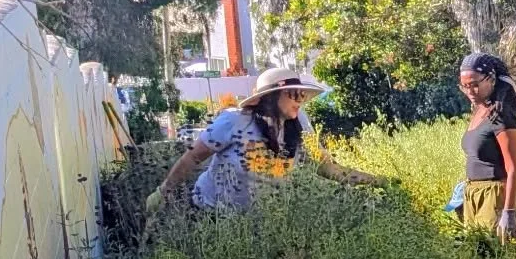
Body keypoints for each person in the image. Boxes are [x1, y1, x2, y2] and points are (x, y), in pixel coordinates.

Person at [145, 66, 378, 216]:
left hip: (261, 222)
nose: (301, 99)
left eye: (302, 94)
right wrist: (163, 192)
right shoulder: (234, 121)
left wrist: (377, 181)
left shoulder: (300, 124)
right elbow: (193, 156)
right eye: (293, 93)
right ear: (271, 97)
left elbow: (325, 166)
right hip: (212, 215)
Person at [457, 52, 516, 251]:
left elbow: (513, 167)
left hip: (496, 196)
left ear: (490, 79)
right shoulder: (479, 111)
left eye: (474, 84)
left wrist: (509, 212)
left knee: (501, 258)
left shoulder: (500, 114)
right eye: (465, 86)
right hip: (474, 195)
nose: (470, 90)